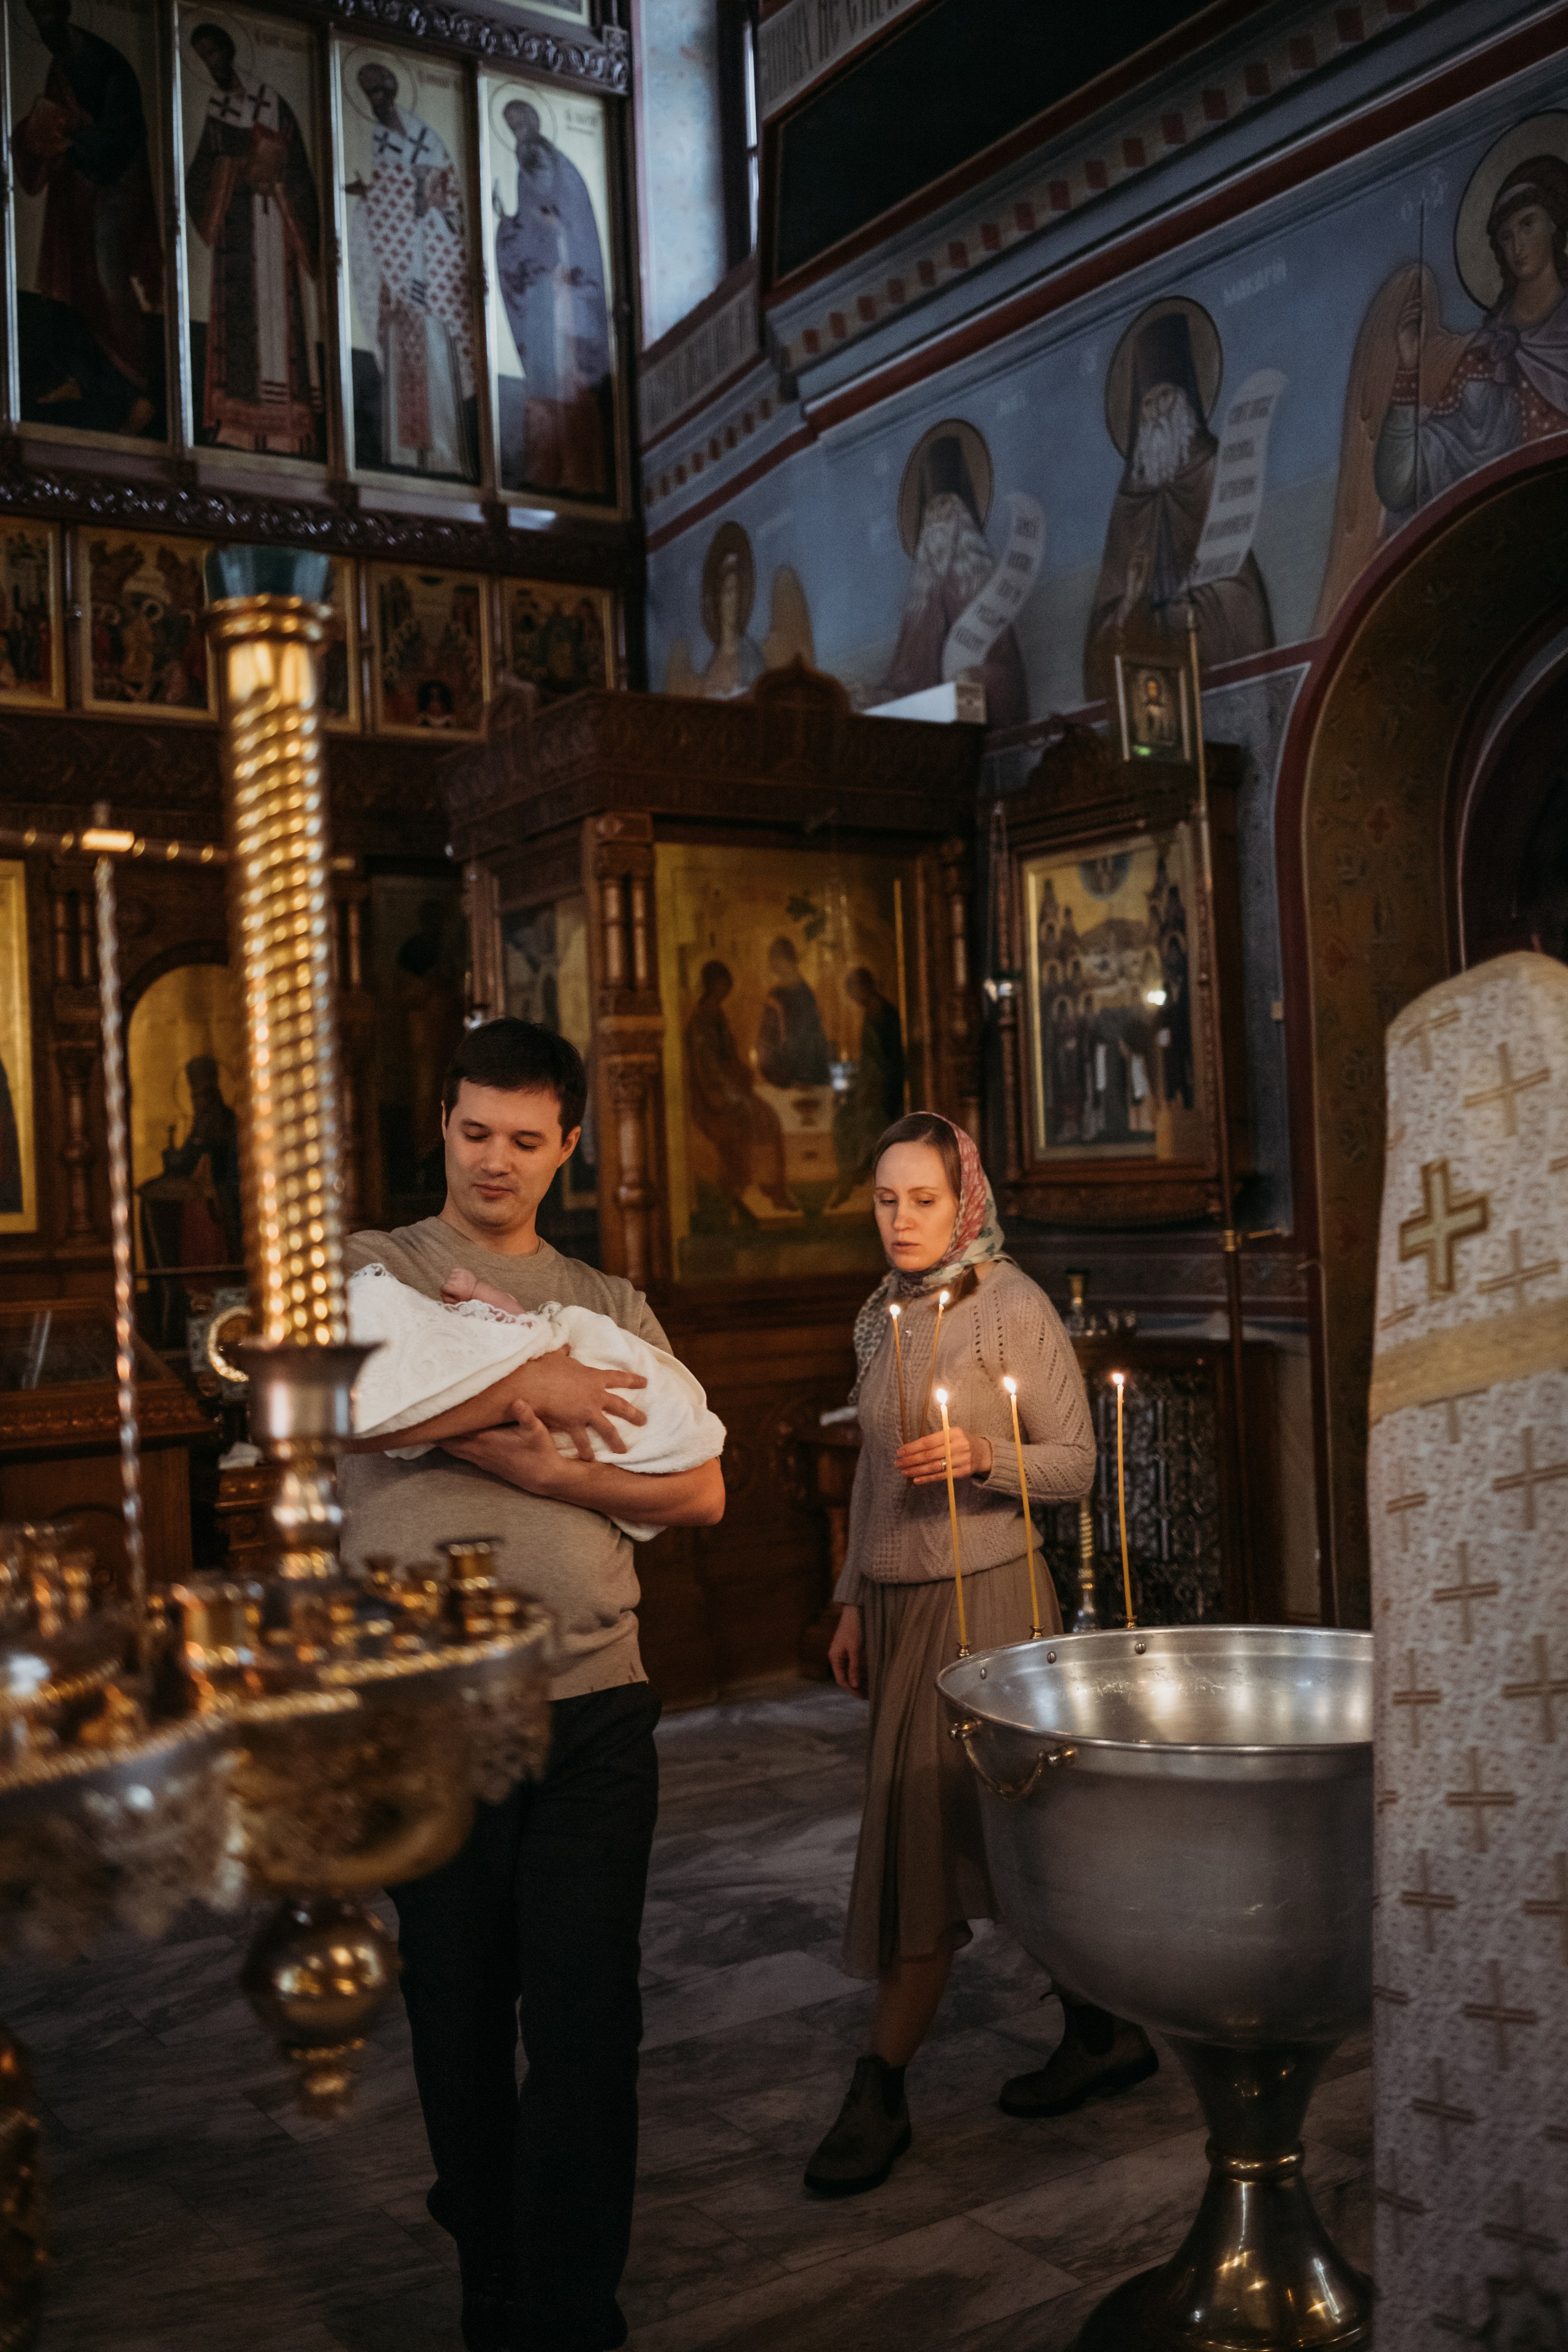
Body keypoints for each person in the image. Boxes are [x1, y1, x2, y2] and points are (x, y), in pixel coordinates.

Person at [339, 1018, 725, 2352]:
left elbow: (699, 1485)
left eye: (522, 1138)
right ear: (440, 1127)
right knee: (453, 2005)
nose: (492, 1160)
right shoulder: (372, 1266)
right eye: (471, 1132)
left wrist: (558, 1464)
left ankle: (571, 2307)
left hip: (593, 1704)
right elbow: (358, 1404)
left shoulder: (611, 1303)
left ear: (565, 1145)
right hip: (425, 1709)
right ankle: (489, 2272)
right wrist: (536, 1384)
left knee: (585, 2015)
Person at [806, 1112, 1156, 2198]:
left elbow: (1078, 1466)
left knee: (933, 1843)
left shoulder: (1009, 1305)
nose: (901, 1222)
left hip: (991, 1594)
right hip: (903, 1602)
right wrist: (850, 1595)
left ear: (965, 1202)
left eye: (922, 1200)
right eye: (884, 1201)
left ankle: (881, 2090)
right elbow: (872, 1473)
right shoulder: (886, 1315)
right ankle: (1102, 2032)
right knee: (992, 1837)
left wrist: (983, 1454)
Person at [1084, 308, 1273, 700]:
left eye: (1165, 396)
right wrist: (1131, 604)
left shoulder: (1214, 470)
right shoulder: (1129, 500)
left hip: (1208, 663)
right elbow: (1107, 613)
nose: (1156, 414)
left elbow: (1239, 591)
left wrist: (1178, 610)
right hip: (1150, 689)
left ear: (1186, 398)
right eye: (1147, 404)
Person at [14, 0, 164, 434]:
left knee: (106, 279)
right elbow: (55, 118)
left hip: (115, 186)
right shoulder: (60, 64)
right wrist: (34, 134)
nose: (43, 27)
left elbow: (124, 133)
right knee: (68, 281)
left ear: (63, 11)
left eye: (47, 14)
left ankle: (137, 394)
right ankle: (84, 377)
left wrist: (75, 142)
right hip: (75, 189)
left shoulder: (106, 63)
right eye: (35, 18)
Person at [184, 21, 322, 455]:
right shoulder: (216, 110)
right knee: (240, 321)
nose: (211, 63)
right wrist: (231, 167)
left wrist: (275, 175)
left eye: (214, 52)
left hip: (275, 224)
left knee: (279, 320)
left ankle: (289, 431)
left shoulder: (271, 101)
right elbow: (200, 174)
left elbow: (298, 167)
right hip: (237, 233)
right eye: (203, 57)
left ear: (229, 51)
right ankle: (237, 428)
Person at [346, 59, 474, 476]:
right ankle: (408, 457)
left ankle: (445, 455)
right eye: (370, 95)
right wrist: (371, 197)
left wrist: (424, 203)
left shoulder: (428, 140)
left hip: (434, 267)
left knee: (438, 358)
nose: (377, 101)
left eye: (381, 91)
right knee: (407, 359)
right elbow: (389, 201)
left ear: (394, 91)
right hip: (400, 272)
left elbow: (447, 198)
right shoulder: (380, 143)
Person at [493, 99, 612, 497]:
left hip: (568, 293)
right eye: (512, 125)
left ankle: (581, 472)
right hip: (544, 294)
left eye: (521, 120)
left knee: (571, 379)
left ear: (535, 120)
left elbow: (574, 226)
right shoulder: (524, 166)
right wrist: (508, 223)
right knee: (544, 381)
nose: (518, 129)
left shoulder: (560, 168)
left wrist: (552, 230)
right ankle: (546, 468)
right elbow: (529, 224)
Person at [684, 959, 793, 1219]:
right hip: (712, 1098)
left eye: (726, 989)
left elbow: (729, 1056)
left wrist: (741, 1074)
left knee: (768, 1117)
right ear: (710, 987)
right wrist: (725, 1092)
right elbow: (705, 1069)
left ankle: (774, 1190)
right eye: (720, 988)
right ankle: (739, 1191)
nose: (723, 994)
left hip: (730, 1090)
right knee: (752, 1120)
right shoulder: (699, 1022)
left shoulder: (718, 1016)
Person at [829, 967, 905, 1205]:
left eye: (853, 991)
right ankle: (849, 1176)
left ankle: (855, 1177)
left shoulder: (883, 1014)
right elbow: (869, 1063)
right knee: (844, 1119)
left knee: (853, 1123)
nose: (853, 997)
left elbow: (889, 1062)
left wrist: (877, 1092)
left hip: (884, 1094)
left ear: (864, 987)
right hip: (872, 1088)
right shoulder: (874, 1013)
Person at [755, 936, 831, 1087]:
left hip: (801, 1071)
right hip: (790, 1072)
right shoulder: (790, 994)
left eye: (778, 961)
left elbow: (812, 1035)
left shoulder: (802, 994)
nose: (775, 967)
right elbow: (767, 1040)